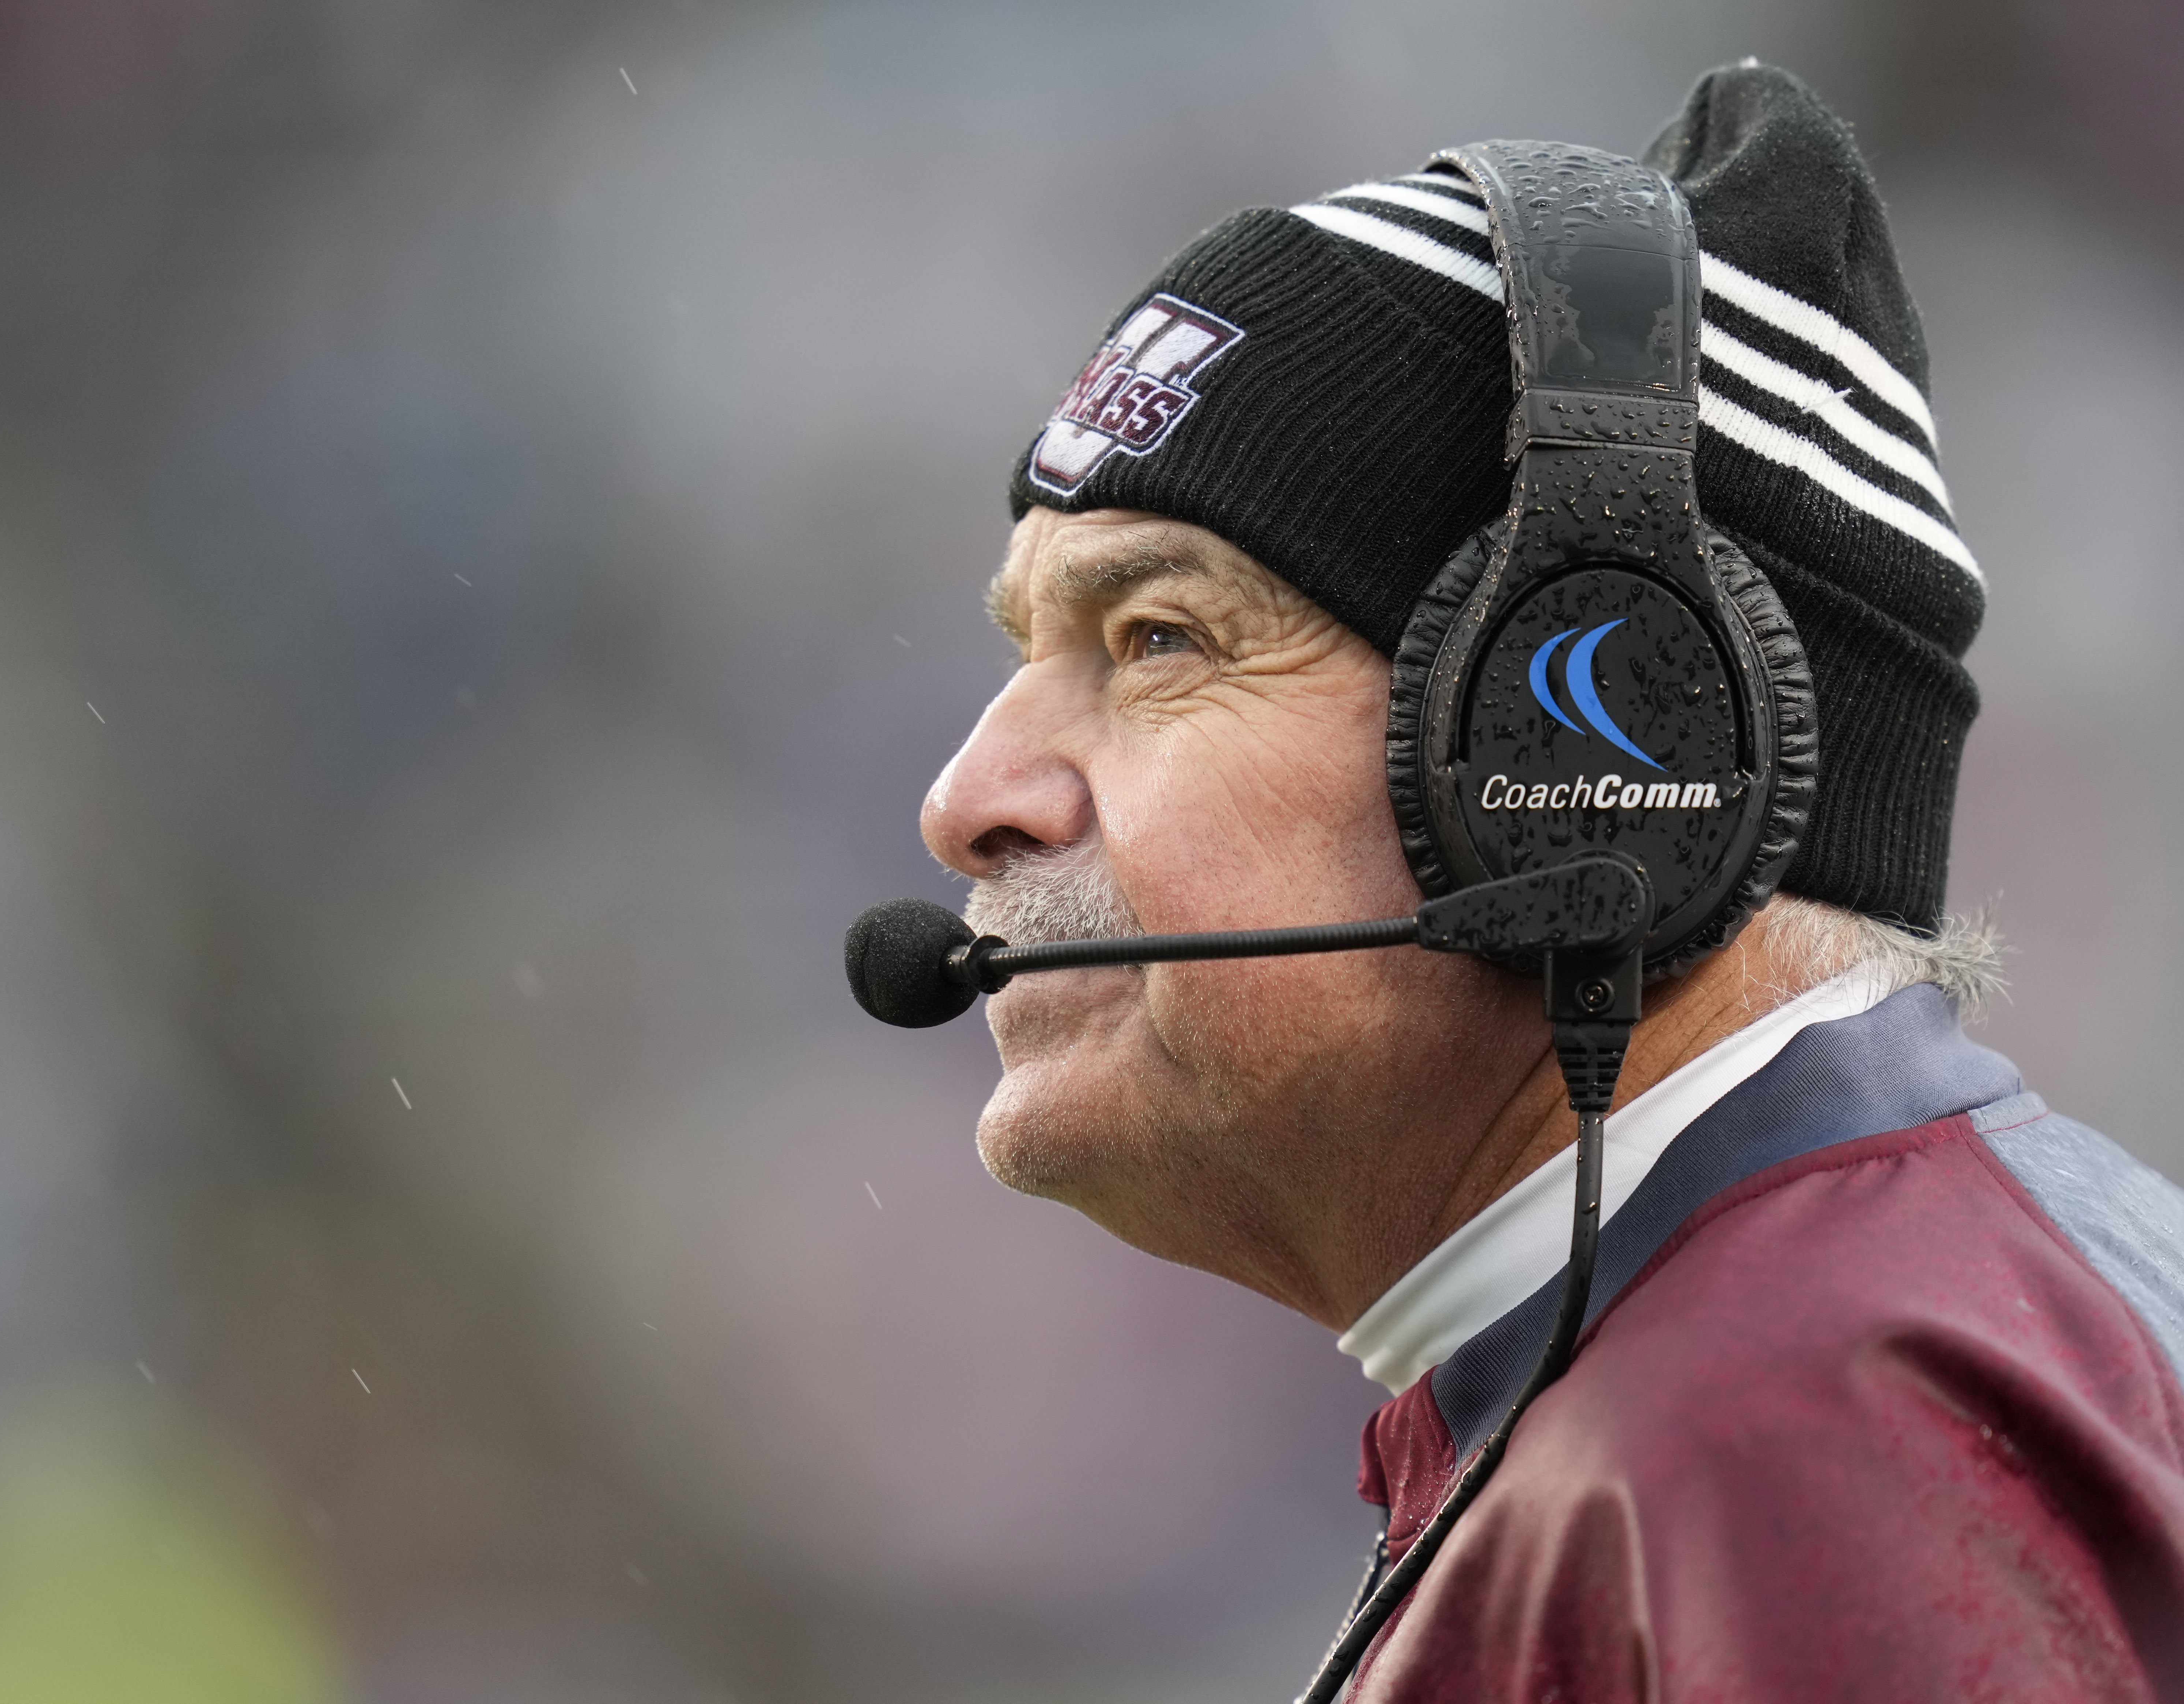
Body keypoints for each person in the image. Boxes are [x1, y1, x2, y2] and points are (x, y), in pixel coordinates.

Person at [914, 60, 2184, 1700]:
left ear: (1599, 750)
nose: (966, 800)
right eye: (1026, 649)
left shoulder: (1795, 1418)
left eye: (1158, 636)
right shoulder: (1807, 1340)